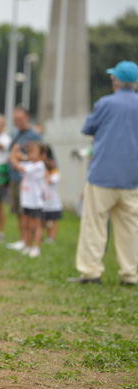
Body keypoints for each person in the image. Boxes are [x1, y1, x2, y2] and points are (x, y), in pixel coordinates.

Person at [68, 60, 138, 286]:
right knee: (130, 229)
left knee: (94, 225)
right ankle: (131, 274)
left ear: (115, 81)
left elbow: (88, 128)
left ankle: (91, 272)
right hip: (132, 177)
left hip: (102, 175)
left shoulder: (105, 103)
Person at [5, 106, 42, 252]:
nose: (17, 122)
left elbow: (40, 156)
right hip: (14, 177)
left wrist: (22, 157)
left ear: (27, 117)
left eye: (20, 119)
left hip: (27, 179)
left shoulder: (35, 136)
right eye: (15, 119)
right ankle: (22, 239)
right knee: (17, 210)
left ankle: (29, 241)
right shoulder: (14, 133)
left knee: (26, 212)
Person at [10, 141, 46, 258]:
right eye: (30, 152)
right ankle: (28, 246)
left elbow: (18, 166)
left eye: (34, 152)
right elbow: (20, 163)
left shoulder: (39, 166)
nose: (31, 154)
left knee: (36, 226)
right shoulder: (30, 164)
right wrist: (17, 154)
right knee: (26, 225)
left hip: (36, 202)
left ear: (41, 155)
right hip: (26, 201)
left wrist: (13, 154)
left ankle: (36, 248)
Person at [42, 158, 62, 244]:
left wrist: (46, 173)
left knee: (53, 221)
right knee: (45, 221)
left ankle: (52, 238)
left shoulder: (56, 174)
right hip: (45, 204)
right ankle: (48, 236)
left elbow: (50, 181)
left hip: (54, 203)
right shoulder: (44, 174)